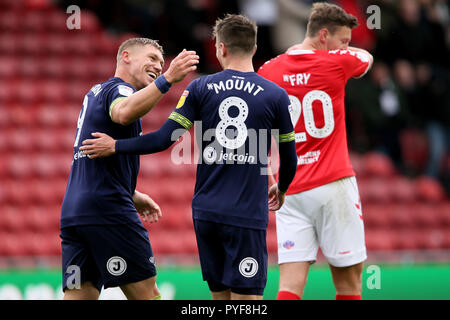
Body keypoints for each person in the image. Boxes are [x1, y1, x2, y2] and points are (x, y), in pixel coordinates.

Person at [80, 14, 298, 300]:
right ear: (255, 49)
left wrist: (116, 146)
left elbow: (162, 139)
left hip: (207, 213)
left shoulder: (200, 87)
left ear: (220, 48)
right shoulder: (275, 95)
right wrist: (281, 188)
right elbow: (290, 158)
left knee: (219, 298)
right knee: (247, 301)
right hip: (246, 214)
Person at [60, 37, 199, 300]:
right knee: (147, 293)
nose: (158, 66)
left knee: (81, 295)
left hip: (76, 212)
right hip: (107, 209)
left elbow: (91, 158)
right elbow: (123, 113)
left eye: (161, 62)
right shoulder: (121, 90)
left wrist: (131, 193)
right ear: (126, 57)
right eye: (151, 58)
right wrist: (168, 79)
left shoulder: (95, 92)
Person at [257, 2, 374, 300]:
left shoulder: (269, 70)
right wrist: (342, 52)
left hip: (290, 190)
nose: (346, 47)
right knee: (349, 284)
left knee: (289, 287)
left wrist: (267, 174)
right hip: (333, 183)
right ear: (324, 35)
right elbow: (367, 58)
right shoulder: (337, 63)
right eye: (343, 41)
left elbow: (256, 131)